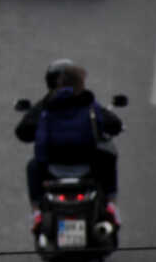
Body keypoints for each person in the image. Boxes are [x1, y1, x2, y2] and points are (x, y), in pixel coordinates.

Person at [15, 58, 123, 208]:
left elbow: (23, 132)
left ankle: (37, 210)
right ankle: (111, 206)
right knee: (109, 157)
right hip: (88, 165)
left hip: (52, 168)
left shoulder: (45, 105)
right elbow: (113, 124)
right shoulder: (88, 102)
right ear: (80, 81)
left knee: (32, 167)